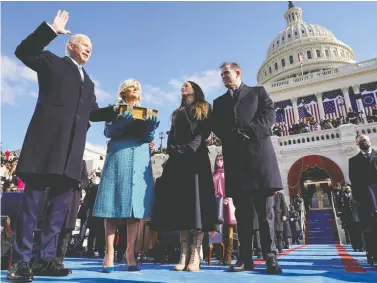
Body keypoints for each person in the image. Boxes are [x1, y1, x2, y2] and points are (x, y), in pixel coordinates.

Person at [7, 10, 116, 282]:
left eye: (92, 47)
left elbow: (92, 112)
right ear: (71, 46)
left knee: (58, 212)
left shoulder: (89, 82)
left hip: (70, 156)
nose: (89, 49)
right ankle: (20, 262)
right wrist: (50, 30)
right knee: (32, 207)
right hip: (45, 148)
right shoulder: (52, 63)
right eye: (84, 44)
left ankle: (46, 260)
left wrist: (118, 110)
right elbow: (23, 51)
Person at [212, 62, 283, 274]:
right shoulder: (219, 102)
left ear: (238, 72)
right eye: (221, 74)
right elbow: (217, 126)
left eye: (227, 73)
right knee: (242, 215)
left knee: (265, 214)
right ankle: (244, 259)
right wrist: (232, 136)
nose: (224, 76)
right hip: (236, 163)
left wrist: (250, 131)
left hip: (259, 160)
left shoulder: (258, 92)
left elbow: (269, 115)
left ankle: (270, 258)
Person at [92, 79, 159, 272]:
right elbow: (107, 132)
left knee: (135, 209)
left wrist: (150, 128)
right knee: (112, 205)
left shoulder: (146, 112)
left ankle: (130, 252)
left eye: (138, 87)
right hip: (118, 155)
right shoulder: (114, 110)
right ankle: (109, 253)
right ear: (122, 92)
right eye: (131, 86)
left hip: (139, 157)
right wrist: (120, 124)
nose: (135, 89)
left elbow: (148, 138)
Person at [152, 81, 218, 272]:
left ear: (195, 89)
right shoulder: (176, 113)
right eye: (182, 85)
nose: (183, 87)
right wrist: (173, 150)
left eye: (187, 85)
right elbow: (172, 135)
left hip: (196, 159)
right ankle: (183, 251)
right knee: (182, 207)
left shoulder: (204, 107)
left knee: (197, 206)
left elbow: (203, 131)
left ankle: (195, 252)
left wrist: (190, 148)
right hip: (178, 162)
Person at [349, 134, 377, 263]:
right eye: (360, 141)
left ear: (369, 141)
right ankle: (373, 256)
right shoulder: (353, 161)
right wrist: (359, 201)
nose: (363, 143)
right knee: (369, 230)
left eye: (364, 140)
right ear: (357, 145)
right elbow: (354, 182)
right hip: (365, 201)